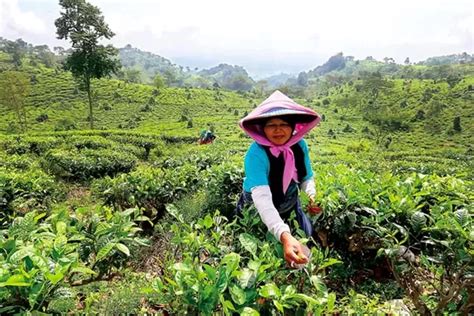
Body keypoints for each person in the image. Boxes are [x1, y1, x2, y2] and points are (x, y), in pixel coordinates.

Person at [236, 90, 321, 267]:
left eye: (284, 124)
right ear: (262, 128)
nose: (278, 129)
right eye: (271, 125)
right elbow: (263, 201)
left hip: (289, 200)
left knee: (303, 241)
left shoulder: (298, 146)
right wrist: (284, 234)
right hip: (257, 207)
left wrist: (311, 196)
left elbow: (306, 176)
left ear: (292, 127)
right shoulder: (256, 154)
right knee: (259, 252)